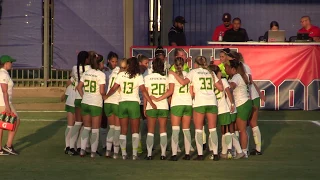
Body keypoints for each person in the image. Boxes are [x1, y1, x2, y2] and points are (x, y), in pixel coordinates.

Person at [169, 56, 223, 161]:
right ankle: (216, 154)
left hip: (200, 102)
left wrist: (173, 73)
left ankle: (200, 155)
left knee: (198, 130)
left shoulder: (193, 72)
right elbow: (220, 88)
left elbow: (183, 82)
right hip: (212, 102)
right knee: (212, 129)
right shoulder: (210, 72)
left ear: (196, 64)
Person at [104, 57, 157, 160]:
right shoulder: (138, 76)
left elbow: (114, 88)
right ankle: (134, 154)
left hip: (122, 103)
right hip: (134, 104)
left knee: (123, 130)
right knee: (135, 131)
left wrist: (107, 95)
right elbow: (144, 91)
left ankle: (123, 154)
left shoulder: (121, 74)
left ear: (128, 65)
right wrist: (151, 102)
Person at [152, 57, 193, 161]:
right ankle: (187, 154)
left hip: (177, 103)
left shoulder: (171, 75)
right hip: (188, 103)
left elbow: (170, 91)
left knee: (175, 130)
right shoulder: (188, 74)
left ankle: (174, 155)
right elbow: (192, 92)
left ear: (174, 65)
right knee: (186, 130)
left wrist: (158, 98)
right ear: (183, 65)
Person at [232, 52, 265, 156]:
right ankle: (250, 148)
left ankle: (243, 149)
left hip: (249, 97)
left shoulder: (242, 67)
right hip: (250, 96)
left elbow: (250, 81)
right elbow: (251, 81)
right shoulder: (242, 68)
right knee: (247, 125)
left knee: (248, 124)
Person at [208, 65, 244, 159]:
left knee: (228, 130)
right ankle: (224, 152)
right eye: (219, 71)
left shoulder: (222, 81)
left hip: (223, 108)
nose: (221, 72)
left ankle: (235, 151)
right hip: (218, 109)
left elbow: (228, 92)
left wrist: (232, 104)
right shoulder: (215, 81)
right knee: (223, 130)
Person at [76, 53, 105, 158]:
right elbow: (102, 91)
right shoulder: (101, 75)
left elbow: (79, 87)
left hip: (85, 102)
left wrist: (84, 96)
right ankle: (93, 152)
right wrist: (106, 96)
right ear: (99, 63)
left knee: (86, 128)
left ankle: (82, 150)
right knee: (95, 129)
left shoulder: (86, 72)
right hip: (95, 103)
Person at [225, 59, 252, 158]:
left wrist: (223, 84)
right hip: (245, 103)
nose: (225, 69)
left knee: (241, 129)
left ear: (233, 69)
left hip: (242, 104)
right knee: (237, 128)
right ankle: (238, 149)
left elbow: (231, 86)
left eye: (227, 67)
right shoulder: (241, 76)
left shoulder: (236, 77)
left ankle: (243, 152)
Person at [144, 58, 168, 160]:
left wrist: (145, 107)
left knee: (150, 131)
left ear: (153, 66)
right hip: (163, 106)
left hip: (151, 105)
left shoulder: (148, 78)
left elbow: (146, 94)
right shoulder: (166, 78)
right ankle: (163, 154)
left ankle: (149, 155)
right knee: (163, 130)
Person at [68, 51, 90, 155]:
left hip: (77, 97)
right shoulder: (89, 69)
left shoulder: (74, 68)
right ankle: (81, 146)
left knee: (77, 123)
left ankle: (72, 146)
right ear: (86, 59)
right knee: (85, 124)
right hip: (85, 97)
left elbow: (72, 77)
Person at [104, 59, 127, 159]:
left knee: (112, 127)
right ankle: (116, 152)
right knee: (117, 128)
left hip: (108, 102)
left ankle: (108, 150)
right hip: (116, 102)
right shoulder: (124, 75)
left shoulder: (113, 72)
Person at [0, 55, 20, 155]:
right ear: (6, 63)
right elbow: (4, 91)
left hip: (3, 102)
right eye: (10, 62)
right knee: (16, 120)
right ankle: (8, 145)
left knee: (1, 125)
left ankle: (2, 148)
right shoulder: (3, 74)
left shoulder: (3, 73)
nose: (12, 64)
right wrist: (7, 106)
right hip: (3, 103)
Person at [100, 52, 118, 150]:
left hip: (114, 100)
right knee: (103, 123)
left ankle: (112, 145)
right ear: (108, 61)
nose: (114, 63)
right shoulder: (103, 71)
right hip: (104, 99)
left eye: (116, 61)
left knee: (114, 125)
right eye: (112, 61)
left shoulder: (118, 71)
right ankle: (104, 145)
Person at [63, 75, 76, 154]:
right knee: (78, 125)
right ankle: (72, 146)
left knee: (71, 125)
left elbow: (68, 83)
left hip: (71, 100)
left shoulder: (76, 70)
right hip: (77, 100)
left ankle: (68, 146)